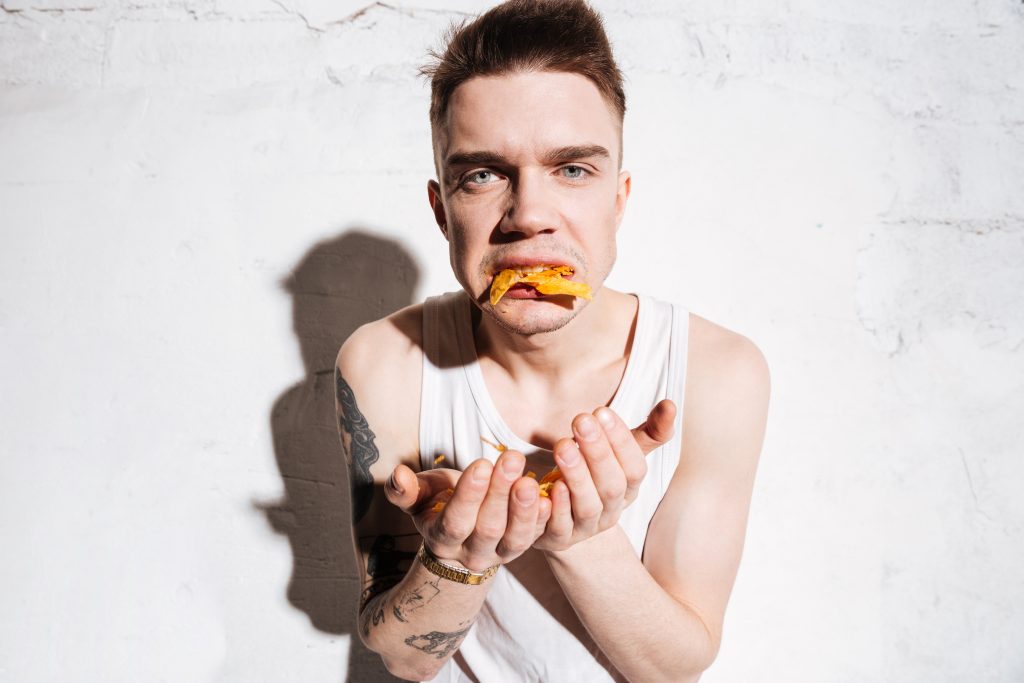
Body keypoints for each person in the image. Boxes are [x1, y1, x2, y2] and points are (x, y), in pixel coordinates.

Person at [334, 1, 770, 680]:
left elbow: (675, 665)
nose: (529, 215)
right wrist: (459, 557)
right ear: (441, 208)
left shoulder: (717, 372)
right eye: (483, 174)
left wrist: (583, 539)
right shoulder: (384, 363)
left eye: (572, 169)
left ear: (618, 198)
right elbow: (401, 656)